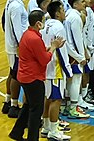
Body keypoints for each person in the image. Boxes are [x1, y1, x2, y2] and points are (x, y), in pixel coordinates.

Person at [9, 10, 66, 141]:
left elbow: (36, 53)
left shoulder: (27, 34)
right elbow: (45, 59)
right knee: (36, 110)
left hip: (25, 76)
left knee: (29, 105)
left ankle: (16, 133)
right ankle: (32, 138)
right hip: (33, 78)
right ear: (38, 23)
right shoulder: (34, 38)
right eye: (43, 21)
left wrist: (50, 48)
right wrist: (53, 47)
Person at [38, 1, 72, 141]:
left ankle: (46, 127)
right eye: (63, 10)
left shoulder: (46, 24)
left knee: (49, 98)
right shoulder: (59, 27)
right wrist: (68, 70)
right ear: (57, 13)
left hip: (46, 66)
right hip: (55, 68)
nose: (64, 12)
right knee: (56, 99)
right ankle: (53, 130)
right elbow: (62, 52)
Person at [2, 0, 29, 118]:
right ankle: (13, 106)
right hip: (16, 47)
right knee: (15, 75)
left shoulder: (11, 2)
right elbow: (17, 29)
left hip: (13, 45)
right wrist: (21, 45)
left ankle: (7, 102)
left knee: (12, 73)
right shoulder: (16, 7)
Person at [64, 0, 92, 118]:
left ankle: (69, 105)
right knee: (76, 80)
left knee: (71, 81)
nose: (84, 3)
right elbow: (77, 39)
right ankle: (74, 109)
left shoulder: (70, 15)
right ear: (75, 4)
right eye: (82, 1)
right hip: (74, 54)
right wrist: (81, 56)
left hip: (71, 53)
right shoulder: (75, 18)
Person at [80, 0, 94, 105]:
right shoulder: (81, 15)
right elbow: (82, 33)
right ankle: (82, 97)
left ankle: (86, 93)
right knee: (84, 73)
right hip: (85, 47)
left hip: (92, 44)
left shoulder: (90, 11)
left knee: (89, 72)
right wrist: (85, 48)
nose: (87, 1)